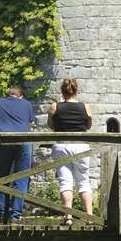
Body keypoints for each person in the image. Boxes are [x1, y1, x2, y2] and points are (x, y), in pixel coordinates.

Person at [47, 78, 93, 226]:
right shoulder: (85, 106)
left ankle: (68, 217)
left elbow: (51, 125)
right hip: (80, 146)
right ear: (76, 90)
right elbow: (88, 125)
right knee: (83, 180)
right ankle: (89, 216)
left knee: (65, 181)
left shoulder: (55, 107)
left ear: (62, 91)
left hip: (62, 146)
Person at [0, 83, 35, 225]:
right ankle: (15, 216)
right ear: (20, 96)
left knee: (3, 178)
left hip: (3, 142)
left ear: (9, 94)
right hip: (23, 143)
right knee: (21, 178)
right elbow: (30, 125)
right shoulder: (26, 104)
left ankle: (2, 216)